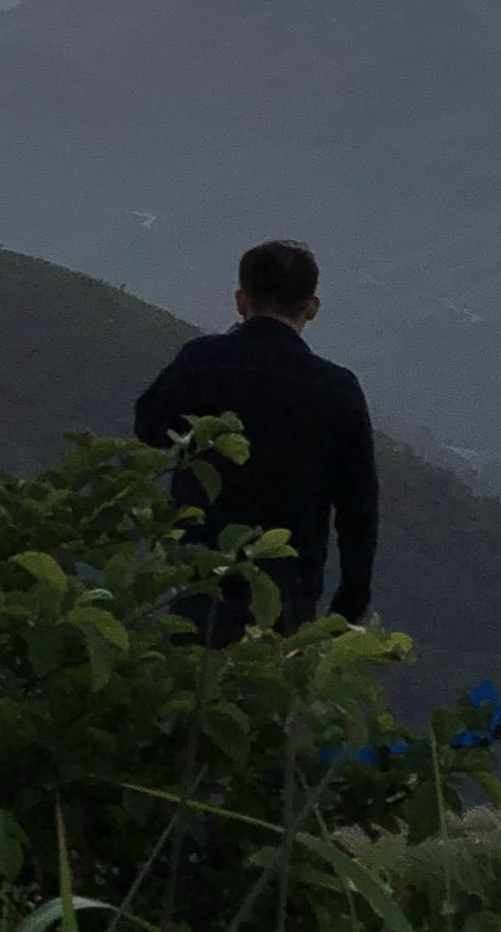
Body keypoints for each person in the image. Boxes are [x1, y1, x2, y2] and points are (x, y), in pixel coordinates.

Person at [134, 239, 378, 639]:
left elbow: (149, 428)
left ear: (240, 299)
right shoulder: (338, 390)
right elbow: (359, 511)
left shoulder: (203, 361)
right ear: (311, 307)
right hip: (286, 595)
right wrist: (348, 608)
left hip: (195, 581)